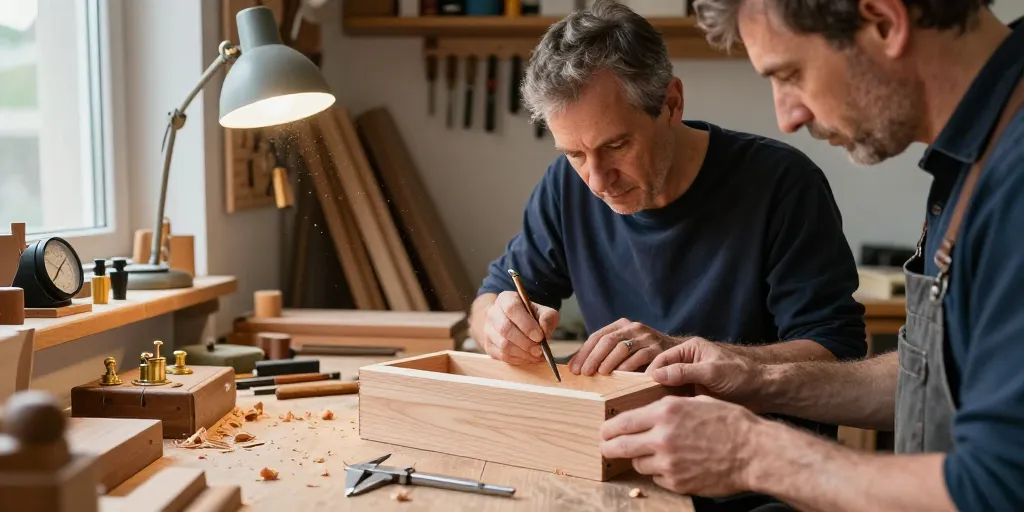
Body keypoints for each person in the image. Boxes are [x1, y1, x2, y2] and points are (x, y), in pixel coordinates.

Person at [598, 0, 1024, 510]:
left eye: (790, 73)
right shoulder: (977, 154)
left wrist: (751, 453)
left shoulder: (1016, 177)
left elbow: (998, 487)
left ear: (885, 22)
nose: (787, 117)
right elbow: (928, 380)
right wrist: (756, 378)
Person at [470, 3, 864, 508]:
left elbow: (840, 352)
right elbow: (489, 300)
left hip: (758, 488)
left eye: (616, 145)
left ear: (671, 103)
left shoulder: (782, 185)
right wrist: (499, 327)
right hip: (622, 479)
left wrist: (688, 358)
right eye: (574, 153)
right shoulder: (565, 190)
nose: (596, 180)